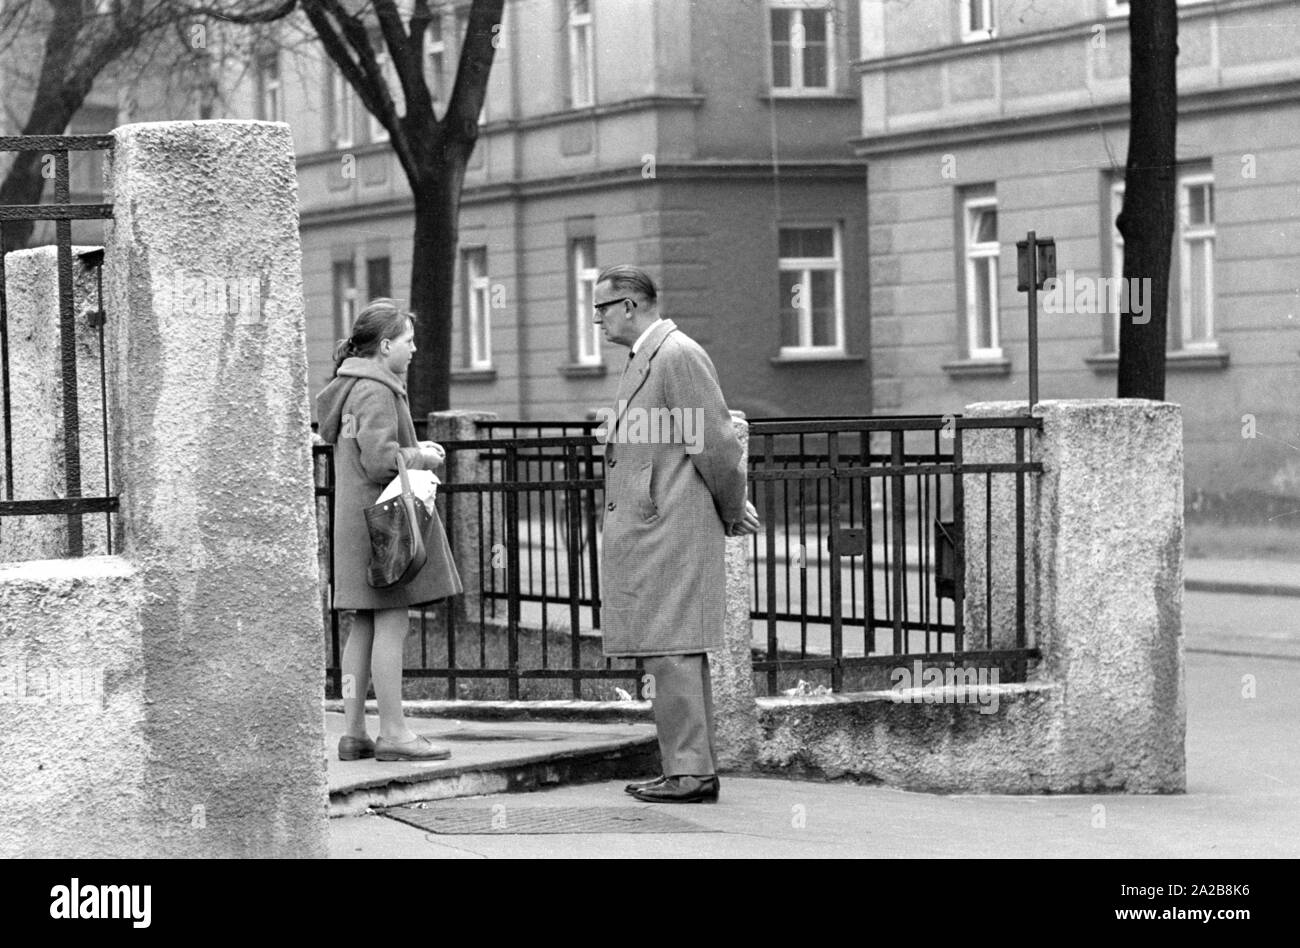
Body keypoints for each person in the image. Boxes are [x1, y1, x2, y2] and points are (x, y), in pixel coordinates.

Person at [593, 265, 760, 803]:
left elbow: (715, 441)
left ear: (631, 306)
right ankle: (687, 768)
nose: (597, 318)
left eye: (602, 307)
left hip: (671, 524)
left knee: (674, 647)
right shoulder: (649, 355)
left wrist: (732, 507)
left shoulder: (676, 354)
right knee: (669, 648)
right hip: (657, 523)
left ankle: (691, 774)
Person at [316, 299, 462, 762]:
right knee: (392, 625)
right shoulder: (377, 389)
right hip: (385, 527)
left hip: (356, 524)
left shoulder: (348, 387)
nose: (415, 349)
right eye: (407, 341)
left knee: (362, 625)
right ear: (384, 346)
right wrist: (425, 456)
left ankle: (354, 732)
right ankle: (395, 734)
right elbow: (381, 461)